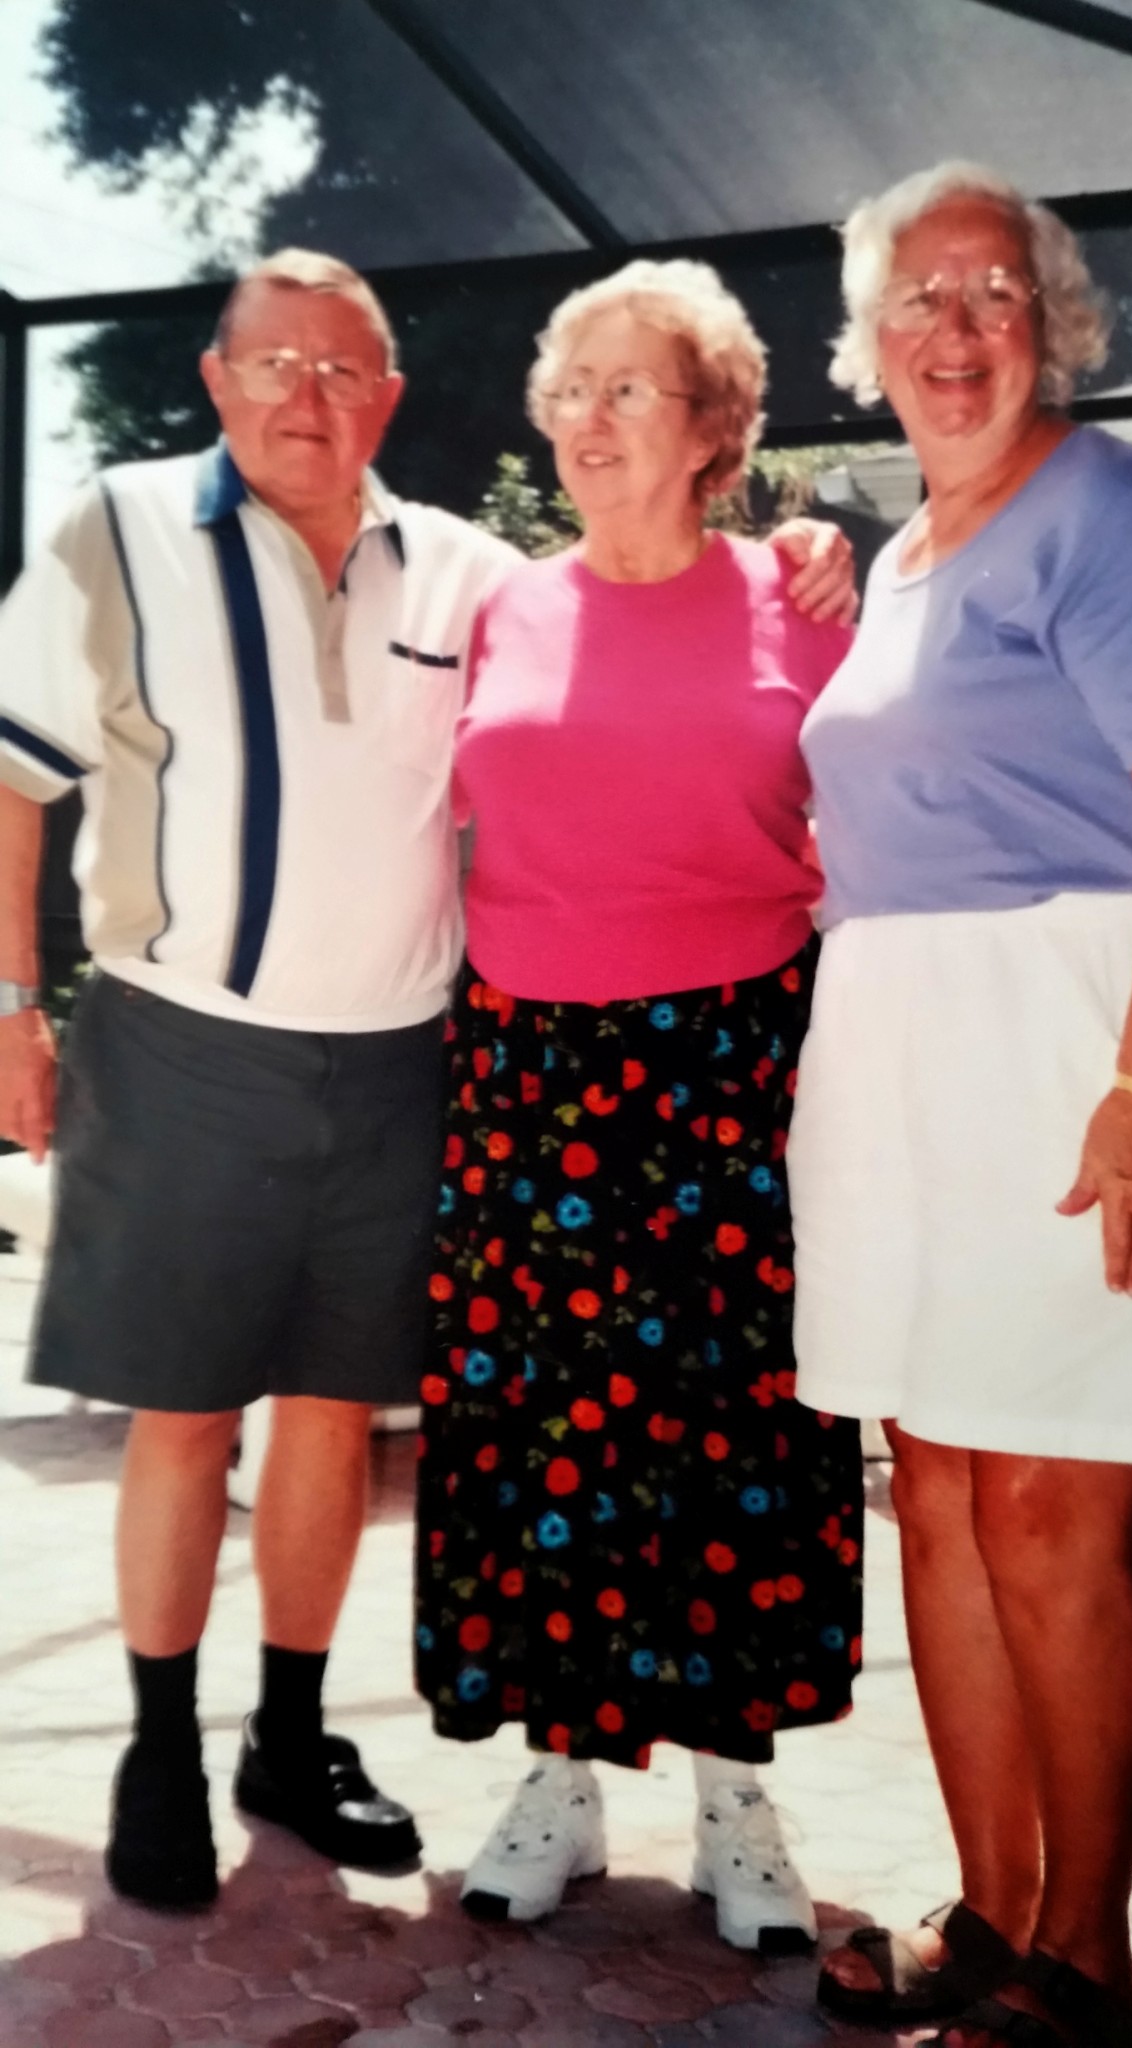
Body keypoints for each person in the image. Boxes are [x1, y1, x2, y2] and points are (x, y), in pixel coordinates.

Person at [0, 247, 853, 1915]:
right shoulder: (185, 543)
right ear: (216, 378)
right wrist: (11, 1005)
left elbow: (818, 768)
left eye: (343, 369)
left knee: (600, 1430)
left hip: (577, 1070)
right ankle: (253, 1755)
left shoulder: (510, 576)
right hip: (355, 1060)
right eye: (273, 362)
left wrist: (815, 546)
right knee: (340, 1424)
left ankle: (398, 1752)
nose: (306, 395)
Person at [789, 162, 1132, 2048]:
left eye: (993, 293)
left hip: (1075, 1046)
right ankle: (990, 1916)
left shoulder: (1121, 517)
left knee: (1053, 1513)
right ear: (869, 338)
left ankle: (1088, 1965)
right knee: (943, 1499)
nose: (955, 330)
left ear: (1052, 323)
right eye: (918, 297)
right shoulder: (903, 550)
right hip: (901, 1053)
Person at [414, 257, 865, 1955]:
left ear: (712, 428)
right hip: (530, 1070)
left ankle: (738, 1794)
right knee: (548, 1427)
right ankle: (564, 1771)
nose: (589, 420)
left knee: (734, 1428)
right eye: (571, 390)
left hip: (734, 1065)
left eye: (630, 390)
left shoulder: (803, 601)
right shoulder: (500, 604)